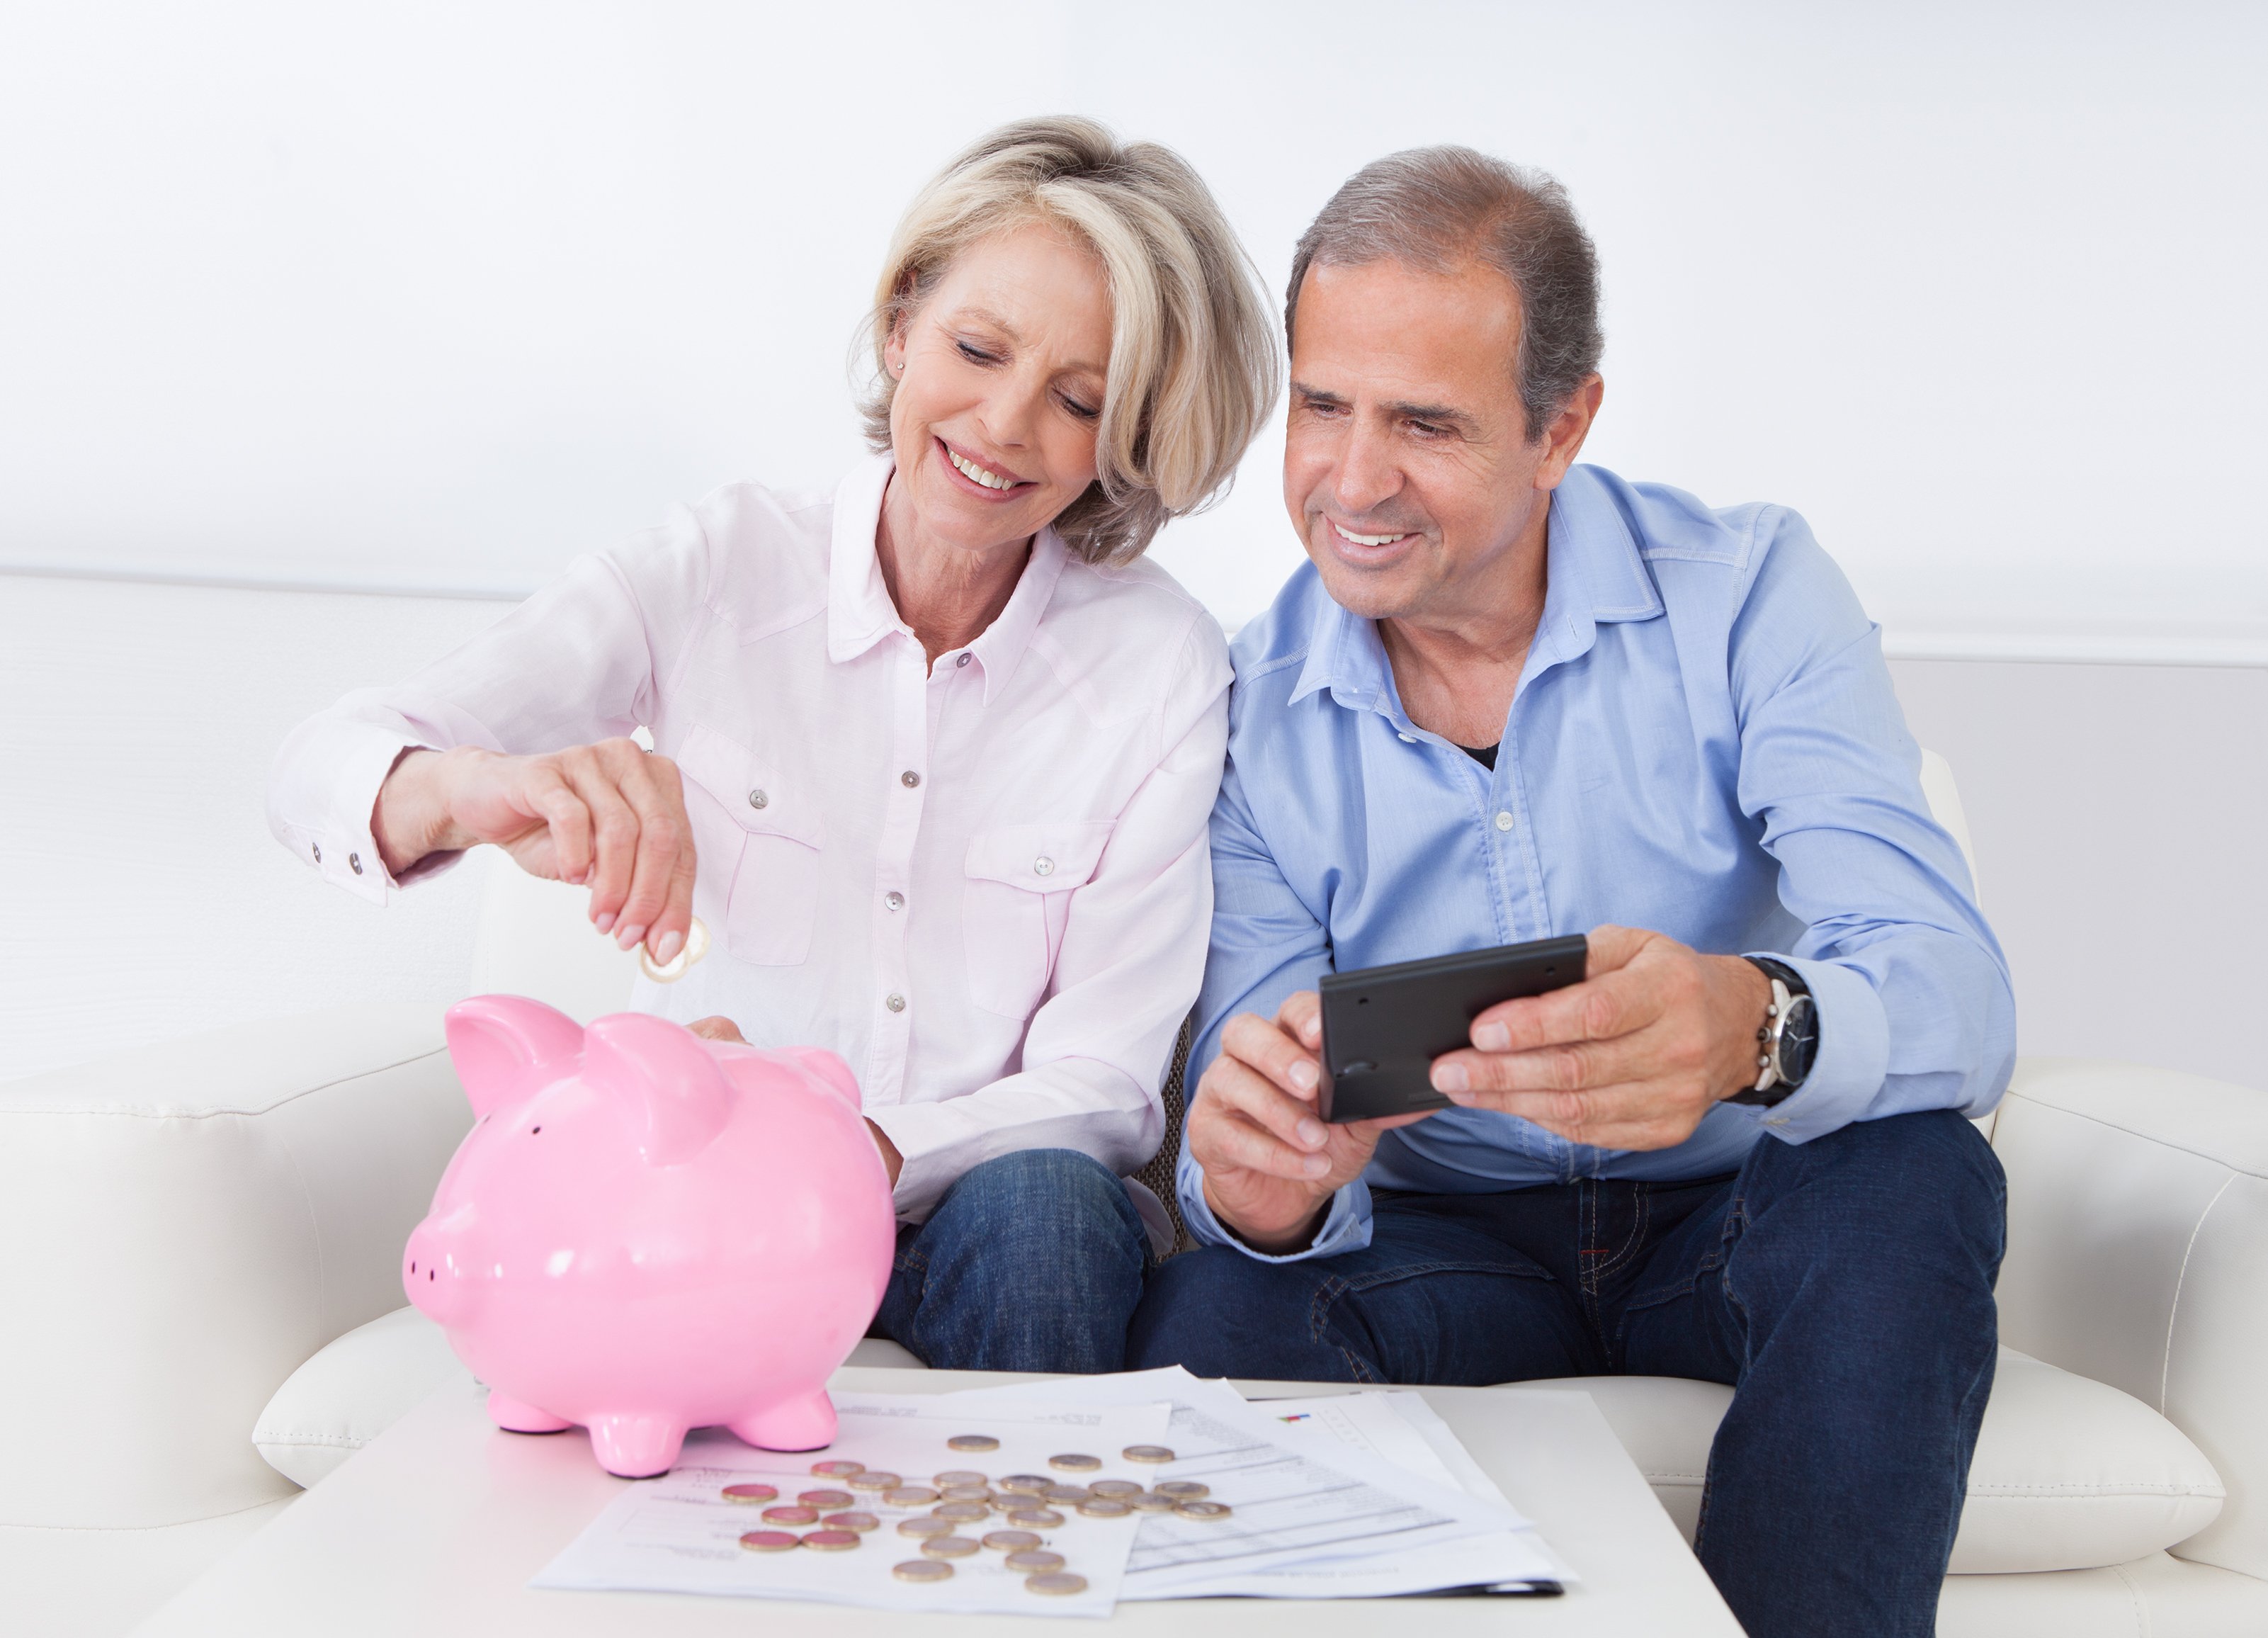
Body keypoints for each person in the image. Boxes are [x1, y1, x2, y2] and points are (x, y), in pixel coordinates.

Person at [1126, 147, 2013, 1638]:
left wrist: (1752, 1027)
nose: (1350, 480)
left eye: (1423, 423)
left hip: (1737, 1215)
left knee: (1914, 1176)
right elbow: (1246, 1069)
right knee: (1216, 1310)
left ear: (1562, 426)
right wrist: (1258, 1182)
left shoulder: (1746, 593)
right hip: (1436, 1250)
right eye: (1324, 405)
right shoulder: (1241, 703)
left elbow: (1952, 987)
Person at [268, 117, 1279, 1374]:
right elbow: (316, 767)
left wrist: (856, 1144)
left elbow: (1110, 1084)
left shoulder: (1158, 665)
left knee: (1050, 1214)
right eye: (975, 349)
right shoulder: (720, 568)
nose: (1005, 425)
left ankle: (1025, 1556)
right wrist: (473, 787)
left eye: (1078, 401)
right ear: (902, 322)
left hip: (978, 1211)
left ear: (1125, 438)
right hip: (718, 1206)